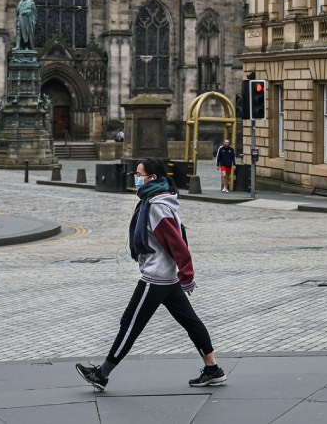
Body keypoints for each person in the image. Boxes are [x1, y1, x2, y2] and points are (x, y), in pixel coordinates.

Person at [76, 158, 225, 391]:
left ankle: (102, 374)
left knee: (130, 324)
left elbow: (177, 243)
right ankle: (212, 369)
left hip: (156, 278)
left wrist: (187, 274)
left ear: (152, 178)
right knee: (191, 322)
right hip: (167, 277)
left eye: (139, 174)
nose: (136, 178)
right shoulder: (157, 201)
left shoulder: (156, 206)